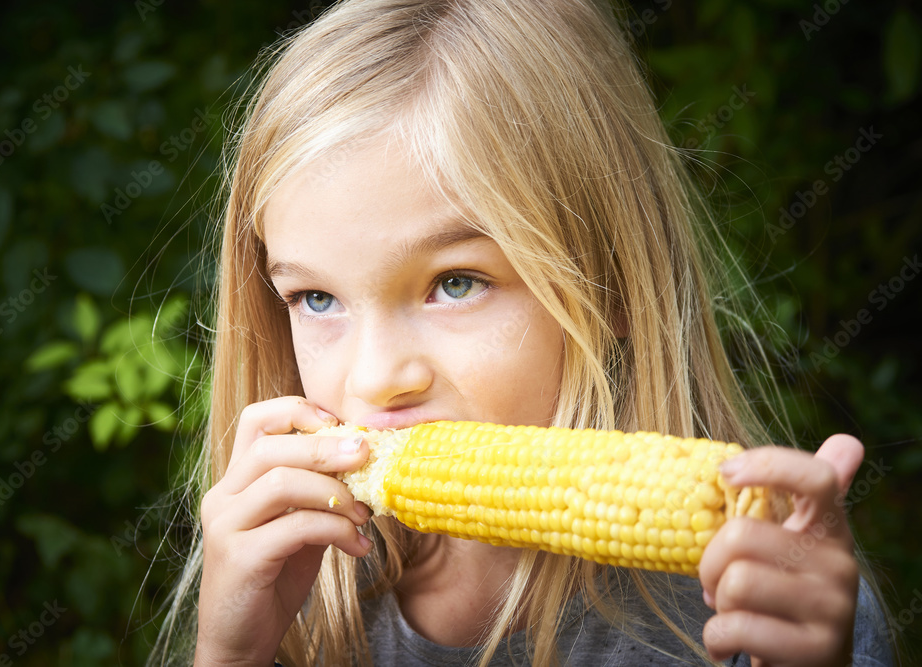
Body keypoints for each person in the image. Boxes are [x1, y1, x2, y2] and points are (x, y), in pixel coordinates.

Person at [149, 1, 895, 665]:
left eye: (456, 283)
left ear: (614, 283)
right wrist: (230, 654)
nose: (373, 379)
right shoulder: (291, 594)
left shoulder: (769, 604)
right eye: (316, 298)